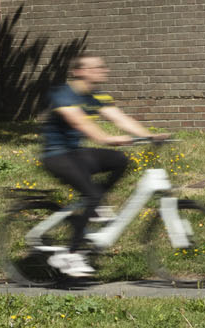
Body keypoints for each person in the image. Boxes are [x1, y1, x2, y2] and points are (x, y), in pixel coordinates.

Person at [37, 55, 156, 279]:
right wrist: (106, 138)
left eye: (103, 66)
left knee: (120, 160)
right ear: (79, 72)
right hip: (55, 156)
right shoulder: (63, 94)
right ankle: (71, 255)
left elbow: (120, 119)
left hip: (76, 154)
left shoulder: (96, 96)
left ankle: (97, 204)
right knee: (92, 194)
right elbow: (79, 122)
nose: (102, 70)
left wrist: (150, 135)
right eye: (95, 67)